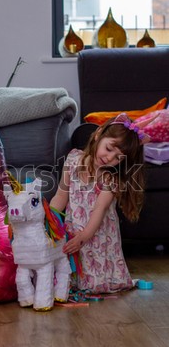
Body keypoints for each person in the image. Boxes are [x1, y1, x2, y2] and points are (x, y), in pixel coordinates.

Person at [50, 112, 152, 294]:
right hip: (74, 227)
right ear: (99, 135)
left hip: (97, 234)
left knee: (94, 282)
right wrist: (48, 221)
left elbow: (99, 209)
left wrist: (84, 236)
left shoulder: (111, 179)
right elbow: (61, 195)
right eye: (109, 148)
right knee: (68, 269)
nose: (110, 158)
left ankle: (103, 276)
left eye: (118, 158)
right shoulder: (73, 159)